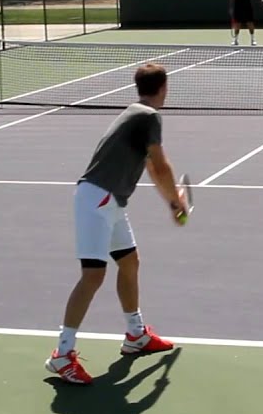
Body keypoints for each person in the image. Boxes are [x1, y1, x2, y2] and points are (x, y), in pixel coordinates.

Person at [46, 63, 186, 385]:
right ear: (164, 88)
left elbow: (152, 168)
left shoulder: (136, 115)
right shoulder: (148, 116)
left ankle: (136, 335)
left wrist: (172, 201)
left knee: (130, 262)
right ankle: (62, 354)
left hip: (111, 202)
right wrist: (176, 201)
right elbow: (162, 166)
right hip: (97, 200)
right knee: (93, 275)